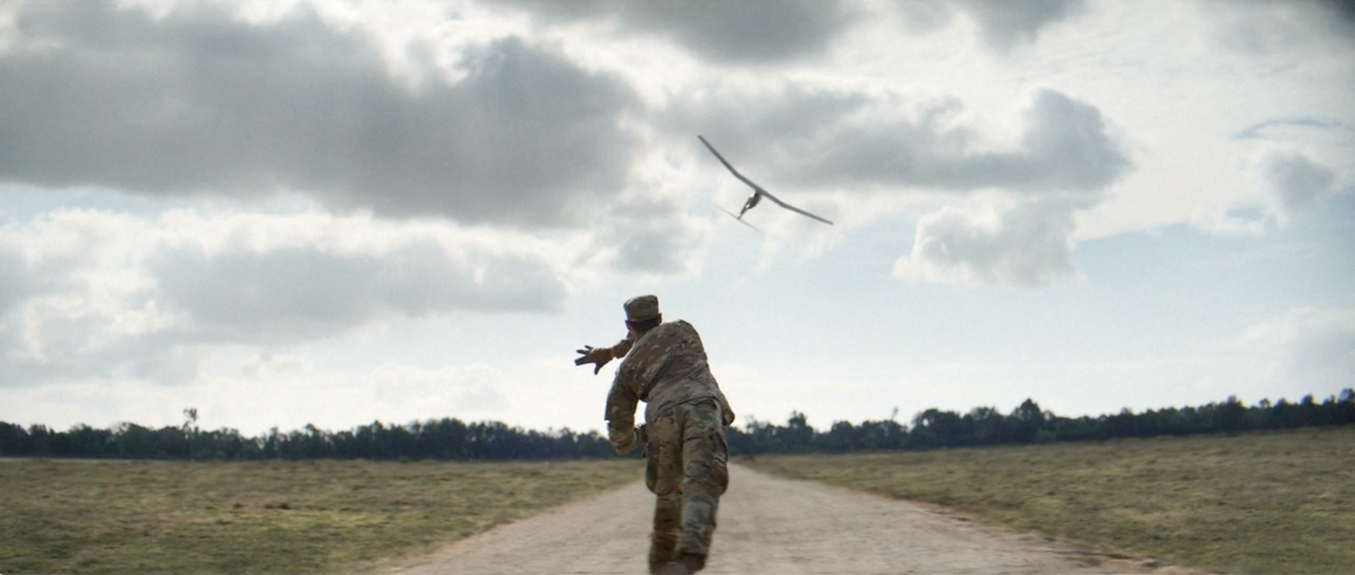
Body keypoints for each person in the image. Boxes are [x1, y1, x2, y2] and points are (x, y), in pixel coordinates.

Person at [575, 295, 735, 575]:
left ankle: (661, 566)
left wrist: (643, 434)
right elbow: (649, 338)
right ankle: (689, 556)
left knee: (669, 496)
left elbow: (620, 440)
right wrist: (614, 350)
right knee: (701, 479)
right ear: (659, 318)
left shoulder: (626, 371)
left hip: (661, 421)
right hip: (703, 408)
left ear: (628, 323)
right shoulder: (683, 329)